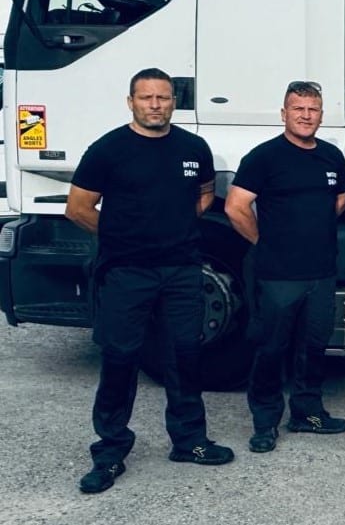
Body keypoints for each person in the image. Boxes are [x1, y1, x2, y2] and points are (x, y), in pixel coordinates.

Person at [65, 67, 234, 494]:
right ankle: (109, 452)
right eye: (147, 98)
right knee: (121, 359)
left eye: (163, 98)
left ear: (173, 102)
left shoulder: (194, 147)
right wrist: (124, 238)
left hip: (181, 270)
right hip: (127, 272)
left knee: (185, 356)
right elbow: (79, 207)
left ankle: (190, 440)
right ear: (131, 102)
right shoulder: (108, 150)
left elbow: (204, 194)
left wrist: (172, 230)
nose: (155, 105)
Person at [225, 80, 345, 454]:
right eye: (298, 109)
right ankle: (265, 423)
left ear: (321, 115)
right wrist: (266, 243)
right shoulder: (264, 157)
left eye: (312, 110)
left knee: (313, 346)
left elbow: (340, 199)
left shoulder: (331, 156)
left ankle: (307, 412)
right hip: (278, 275)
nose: (306, 116)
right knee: (271, 349)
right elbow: (235, 206)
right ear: (284, 114)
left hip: (321, 273)